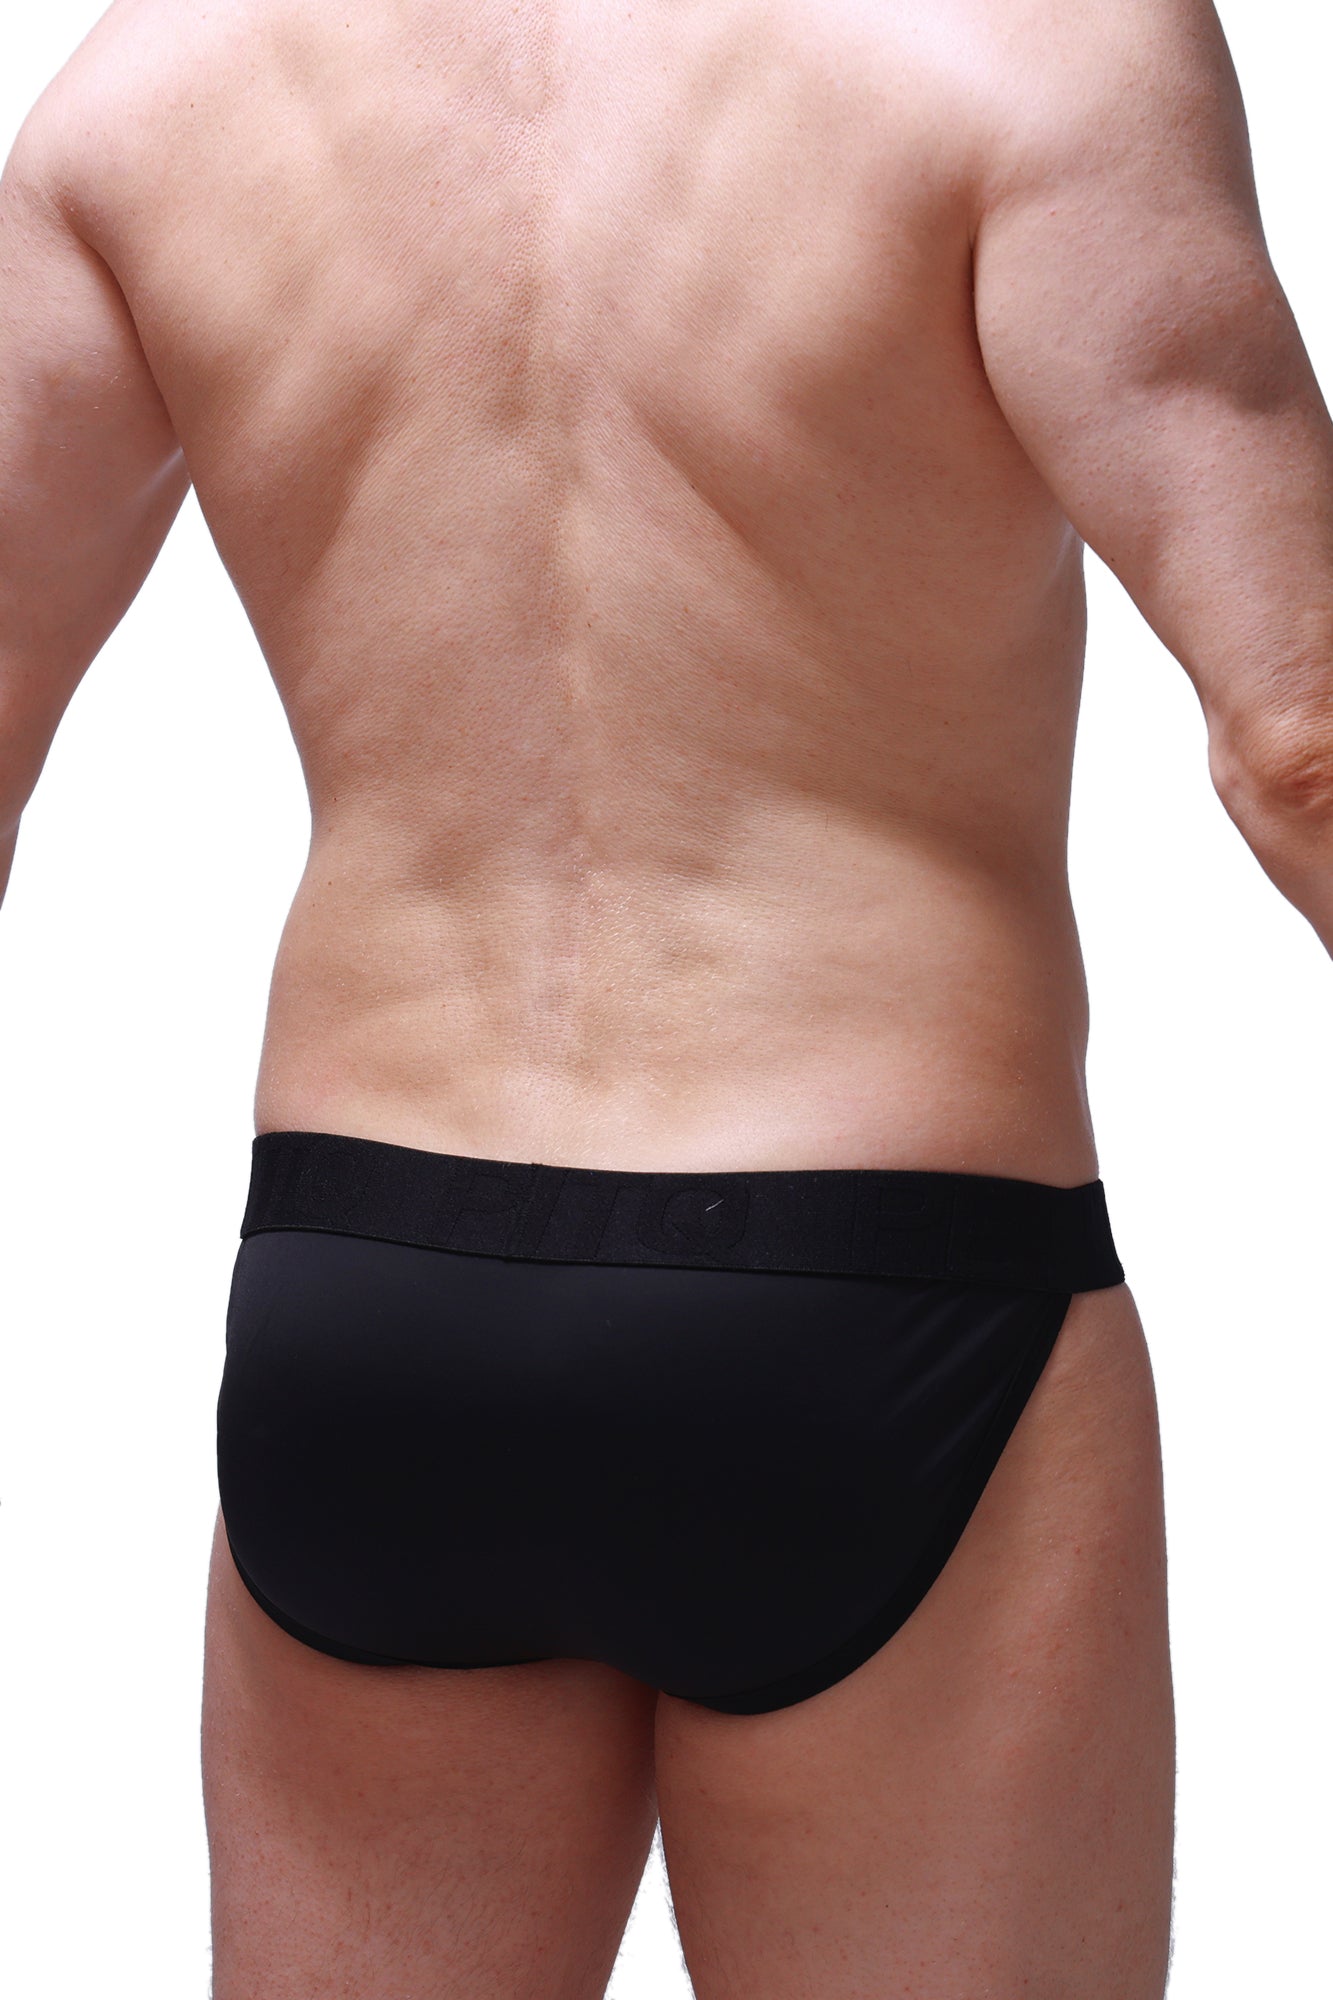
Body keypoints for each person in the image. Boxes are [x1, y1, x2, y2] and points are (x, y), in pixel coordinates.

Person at [2, 0, 1329, 1992]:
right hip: (885, 1286)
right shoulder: (1030, 46)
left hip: (372, 1299)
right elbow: (1304, 742)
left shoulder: (150, 87)